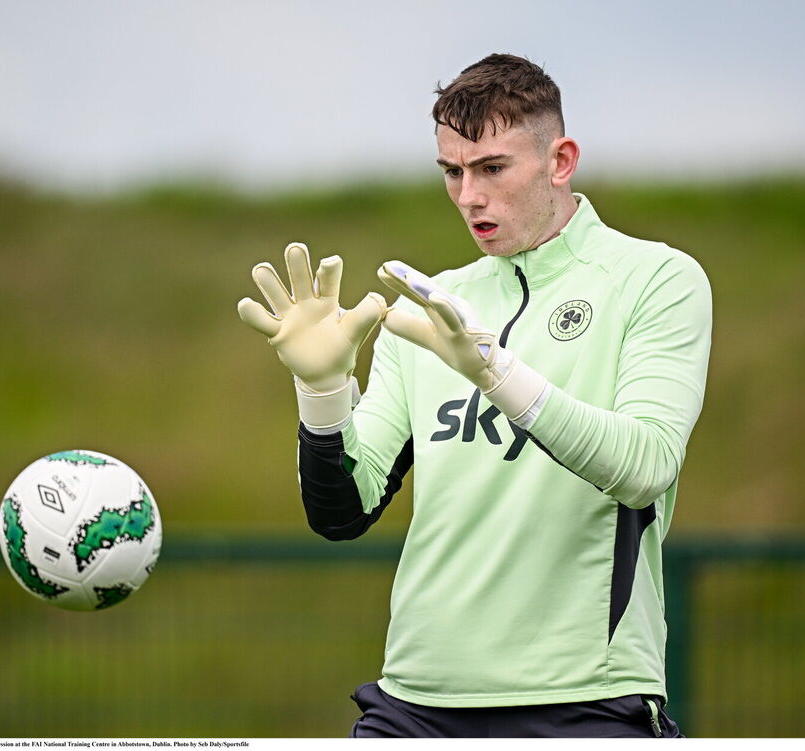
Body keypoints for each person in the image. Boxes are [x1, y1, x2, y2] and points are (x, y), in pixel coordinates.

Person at [237, 53, 710, 738]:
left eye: (492, 168)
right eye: (452, 172)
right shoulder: (430, 308)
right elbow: (344, 509)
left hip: (584, 700)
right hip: (414, 702)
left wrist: (499, 375)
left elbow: (645, 467)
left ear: (561, 159)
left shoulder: (656, 279)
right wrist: (322, 391)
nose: (468, 196)